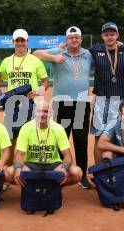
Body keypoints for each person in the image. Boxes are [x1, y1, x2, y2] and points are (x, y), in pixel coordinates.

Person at [33, 26, 93, 189]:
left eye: (77, 37)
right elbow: (36, 54)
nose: (74, 40)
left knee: (81, 141)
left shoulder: (88, 54)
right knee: (61, 139)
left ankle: (82, 175)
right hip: (62, 103)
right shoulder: (58, 52)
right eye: (71, 37)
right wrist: (54, 58)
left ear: (81, 39)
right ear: (66, 40)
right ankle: (60, 172)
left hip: (81, 103)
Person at [89, 22, 124, 164]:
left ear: (117, 35)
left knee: (121, 134)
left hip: (122, 100)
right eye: (106, 34)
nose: (109, 37)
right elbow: (77, 54)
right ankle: (99, 173)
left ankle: (120, 169)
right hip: (102, 100)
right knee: (99, 136)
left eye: (112, 34)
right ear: (102, 36)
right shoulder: (95, 50)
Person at [6, 100, 82, 187]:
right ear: (35, 112)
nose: (42, 114)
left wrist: (64, 169)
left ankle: (56, 188)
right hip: (31, 164)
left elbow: (67, 156)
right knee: (9, 172)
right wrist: (18, 169)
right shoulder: (26, 128)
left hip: (53, 164)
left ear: (51, 113)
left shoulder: (58, 128)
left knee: (77, 172)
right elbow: (19, 155)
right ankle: (30, 189)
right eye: (39, 111)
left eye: (46, 111)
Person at [0, 29, 49, 157]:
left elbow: (45, 82)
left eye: (23, 40)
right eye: (17, 40)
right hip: (12, 105)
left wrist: (38, 91)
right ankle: (10, 169)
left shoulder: (35, 60)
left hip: (31, 105)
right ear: (13, 42)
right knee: (11, 139)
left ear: (27, 42)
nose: (20, 43)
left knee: (31, 137)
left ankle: (29, 169)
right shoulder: (6, 61)